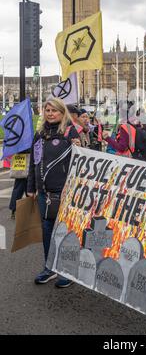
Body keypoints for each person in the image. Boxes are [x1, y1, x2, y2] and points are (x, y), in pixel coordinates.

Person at [27, 98, 81, 287]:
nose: (50, 113)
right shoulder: (40, 134)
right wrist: (30, 187)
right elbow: (34, 162)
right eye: (47, 110)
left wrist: (79, 145)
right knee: (47, 229)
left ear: (62, 112)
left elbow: (82, 159)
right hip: (44, 193)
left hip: (65, 192)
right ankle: (50, 267)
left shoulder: (69, 131)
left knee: (65, 232)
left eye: (54, 110)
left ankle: (66, 271)